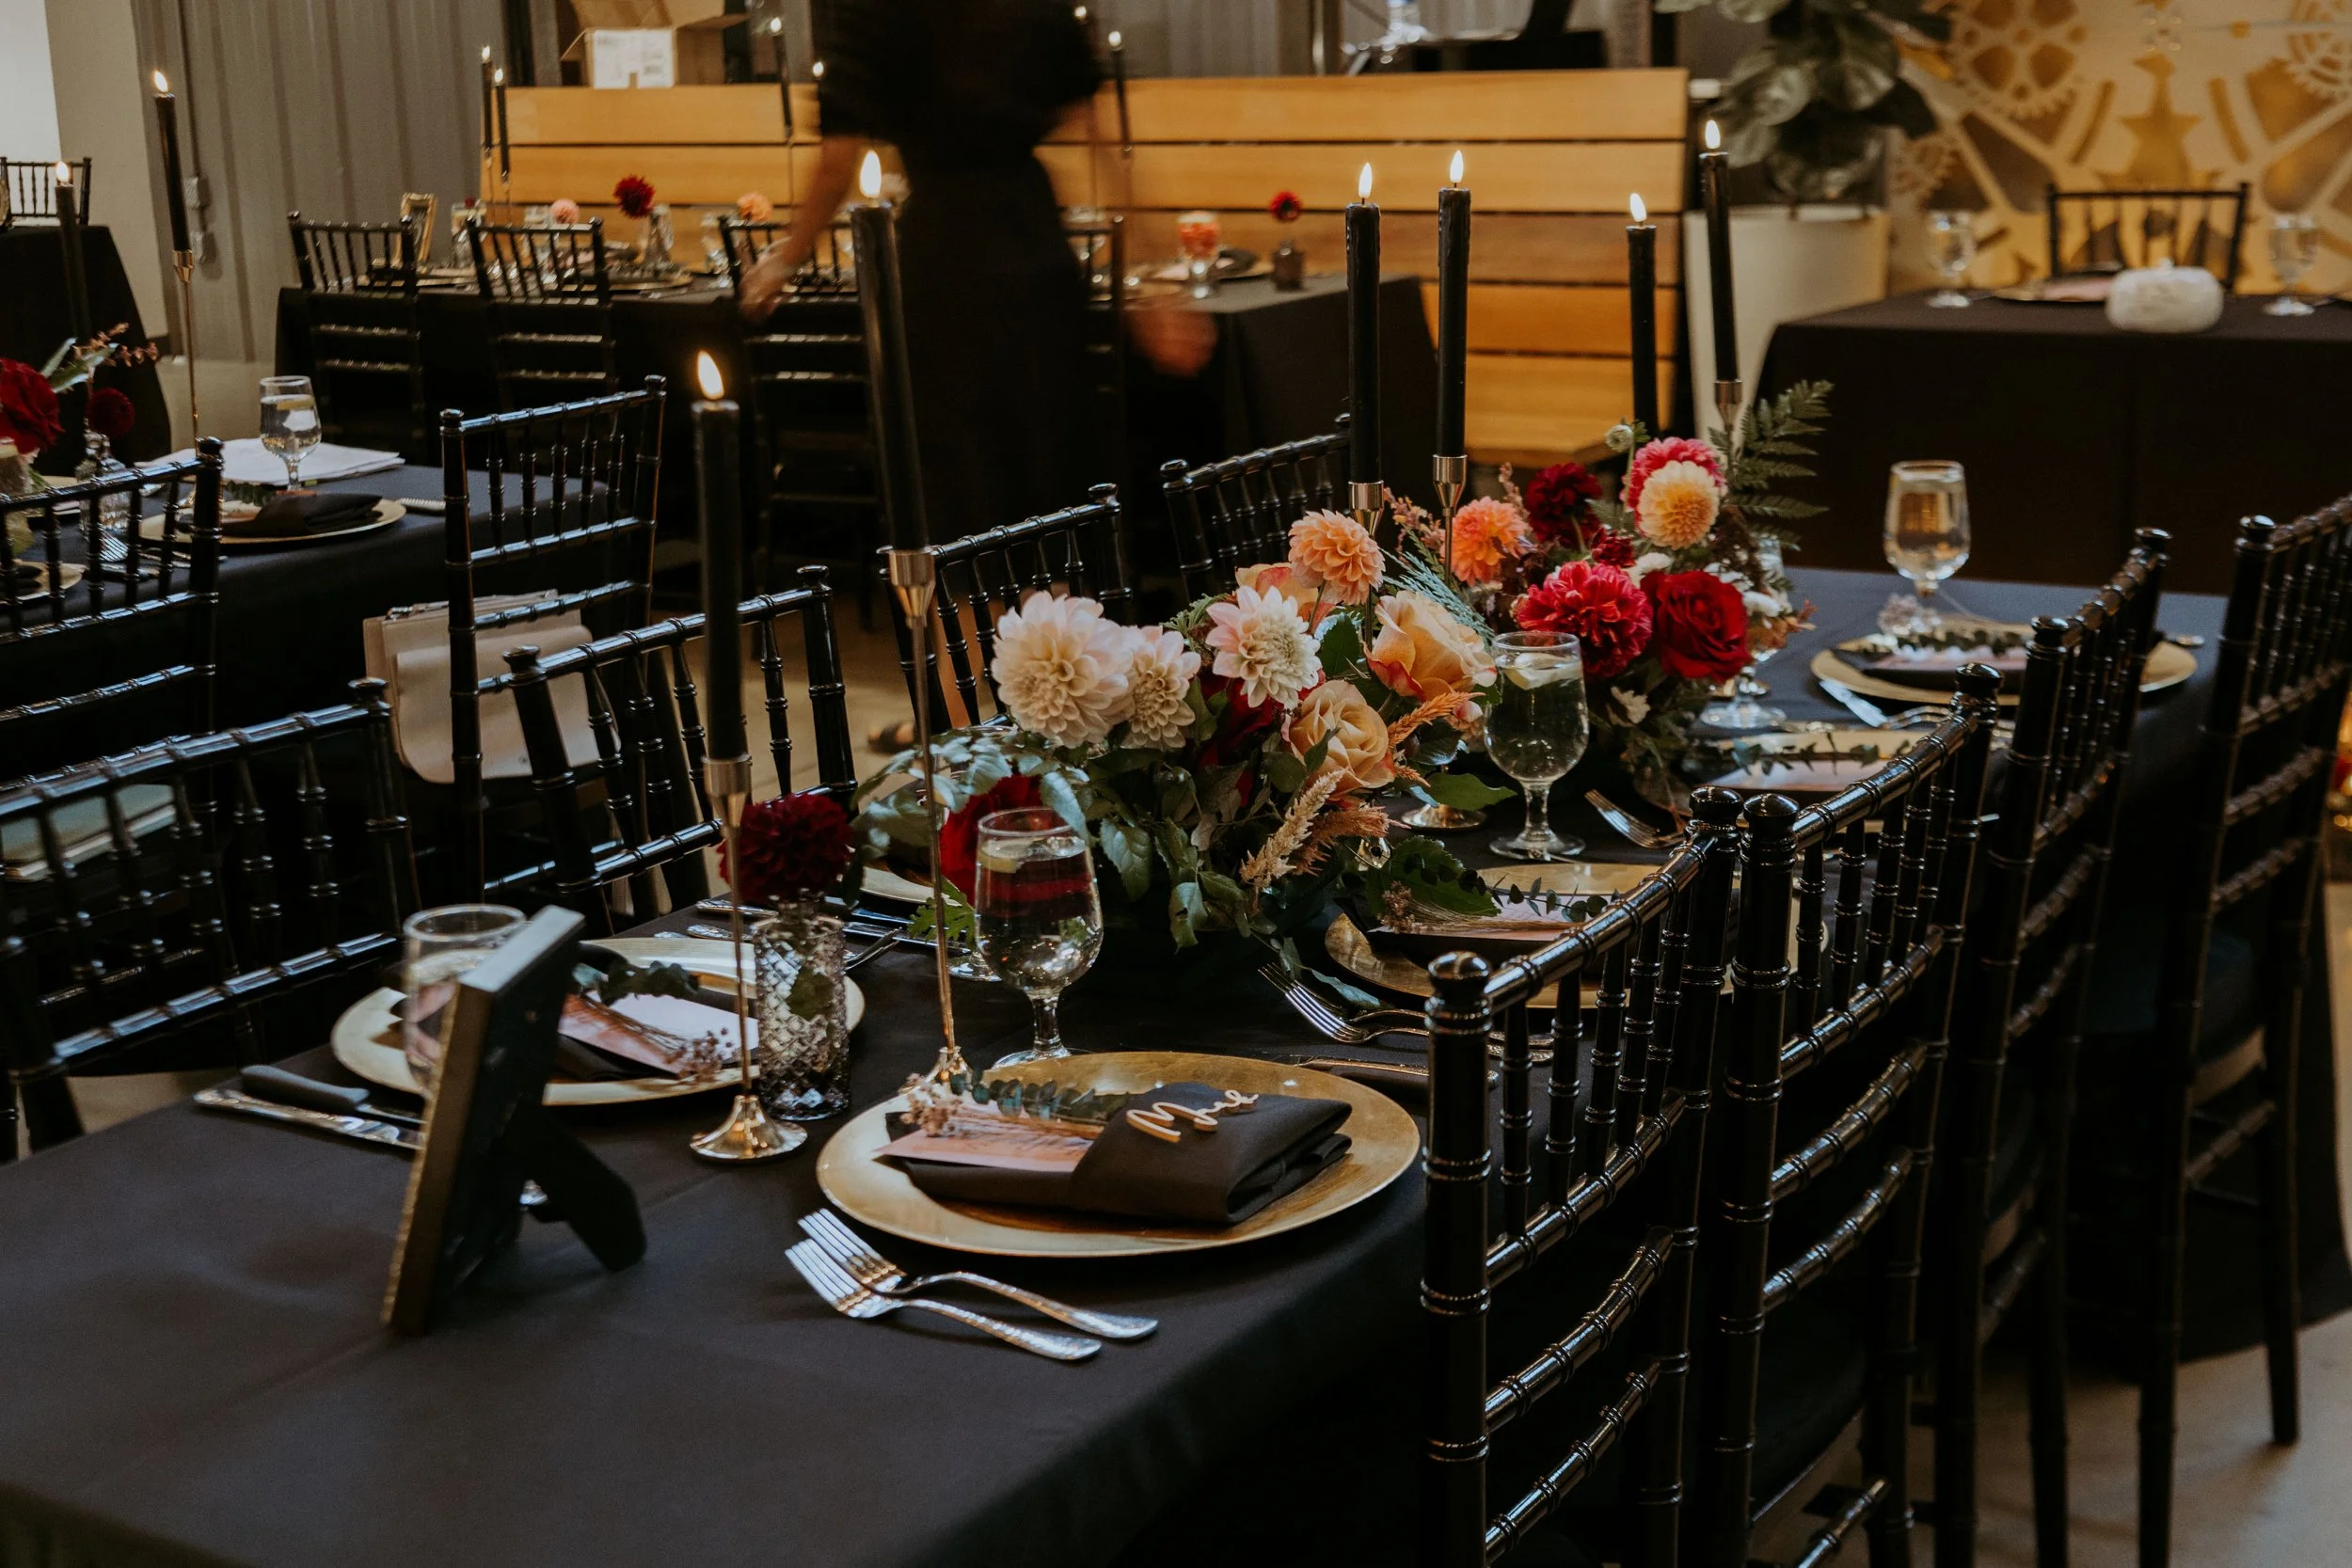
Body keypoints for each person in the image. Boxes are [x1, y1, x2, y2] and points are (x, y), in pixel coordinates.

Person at [738, 0, 1102, 545]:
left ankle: (966, 625)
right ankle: (1057, 619)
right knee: (1044, 456)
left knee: (961, 472)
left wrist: (785, 257)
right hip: (1033, 238)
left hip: (947, 251)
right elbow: (1093, 120)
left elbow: (838, 159)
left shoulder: (875, 14)